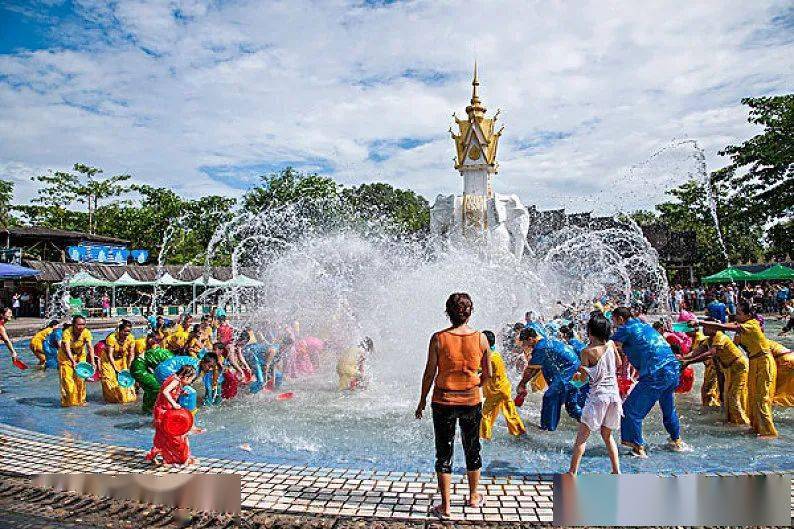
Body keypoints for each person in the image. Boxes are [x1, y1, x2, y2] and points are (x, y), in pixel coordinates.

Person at [415, 293, 491, 519]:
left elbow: (430, 373)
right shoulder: (481, 339)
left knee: (444, 452)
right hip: (470, 401)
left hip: (443, 402)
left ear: (448, 313)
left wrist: (421, 401)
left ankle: (446, 506)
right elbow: (489, 375)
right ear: (470, 313)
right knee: (472, 448)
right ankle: (474, 497)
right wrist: (475, 385)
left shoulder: (438, 338)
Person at [610, 307, 683, 457]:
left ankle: (638, 447)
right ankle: (676, 441)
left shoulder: (626, 329)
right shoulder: (644, 326)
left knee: (630, 410)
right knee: (669, 409)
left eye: (614, 320)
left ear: (620, 319)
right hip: (673, 369)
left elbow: (604, 344)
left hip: (655, 373)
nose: (613, 323)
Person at [699, 300, 777, 438]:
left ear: (748, 315)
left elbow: (723, 326)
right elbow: (731, 346)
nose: (736, 316)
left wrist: (700, 323)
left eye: (739, 313)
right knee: (752, 397)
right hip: (753, 362)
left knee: (761, 398)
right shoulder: (741, 329)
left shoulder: (752, 325)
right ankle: (756, 427)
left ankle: (768, 433)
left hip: (764, 361)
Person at [568, 313, 622, 475]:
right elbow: (618, 363)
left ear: (590, 331)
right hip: (614, 397)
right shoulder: (611, 345)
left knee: (582, 438)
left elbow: (583, 379)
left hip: (597, 397)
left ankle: (572, 473)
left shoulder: (587, 352)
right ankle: (616, 470)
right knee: (607, 435)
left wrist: (579, 374)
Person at [516, 326, 583, 431]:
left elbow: (530, 370)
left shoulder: (540, 348)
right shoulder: (546, 342)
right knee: (571, 407)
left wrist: (522, 384)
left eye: (524, 343)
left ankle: (547, 430)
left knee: (549, 397)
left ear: (530, 339)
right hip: (573, 371)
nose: (525, 346)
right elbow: (536, 368)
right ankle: (591, 423)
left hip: (566, 372)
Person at [683, 325, 749, 425]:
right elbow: (695, 352)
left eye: (706, 327)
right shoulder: (709, 340)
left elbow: (710, 353)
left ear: (714, 328)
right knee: (726, 398)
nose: (703, 330)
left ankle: (743, 423)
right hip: (727, 368)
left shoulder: (720, 336)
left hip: (739, 367)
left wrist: (689, 362)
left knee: (733, 397)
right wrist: (682, 359)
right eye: (703, 327)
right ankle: (732, 421)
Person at [145, 365, 199, 467]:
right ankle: (172, 458)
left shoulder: (175, 379)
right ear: (185, 376)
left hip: (163, 410)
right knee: (169, 435)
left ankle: (156, 456)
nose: (191, 382)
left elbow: (171, 392)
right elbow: (165, 391)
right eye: (191, 379)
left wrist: (181, 393)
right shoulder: (176, 381)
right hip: (163, 411)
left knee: (163, 435)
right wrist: (174, 404)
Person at [480, 330, 525, 440]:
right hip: (504, 388)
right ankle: (519, 433)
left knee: (485, 415)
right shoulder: (495, 353)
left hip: (495, 391)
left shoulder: (488, 357)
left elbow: (478, 370)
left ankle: (484, 437)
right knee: (510, 412)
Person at [58, 315, 95, 407]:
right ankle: (68, 402)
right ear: (73, 324)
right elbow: (67, 349)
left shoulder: (86, 332)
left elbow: (90, 347)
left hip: (80, 356)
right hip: (65, 357)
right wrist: (73, 362)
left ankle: (81, 401)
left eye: (83, 324)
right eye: (79, 324)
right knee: (68, 381)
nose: (81, 327)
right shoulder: (67, 332)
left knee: (80, 380)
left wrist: (93, 362)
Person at [99, 320, 137, 404]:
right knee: (109, 381)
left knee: (125, 379)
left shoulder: (131, 338)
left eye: (129, 331)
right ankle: (112, 400)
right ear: (120, 330)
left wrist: (129, 367)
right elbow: (110, 355)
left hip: (121, 359)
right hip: (108, 360)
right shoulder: (111, 338)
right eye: (125, 331)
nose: (127, 333)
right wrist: (115, 369)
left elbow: (131, 353)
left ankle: (126, 398)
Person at [768, 340, 793, 407]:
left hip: (784, 360)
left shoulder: (755, 345)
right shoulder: (767, 341)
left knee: (780, 392)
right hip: (791, 356)